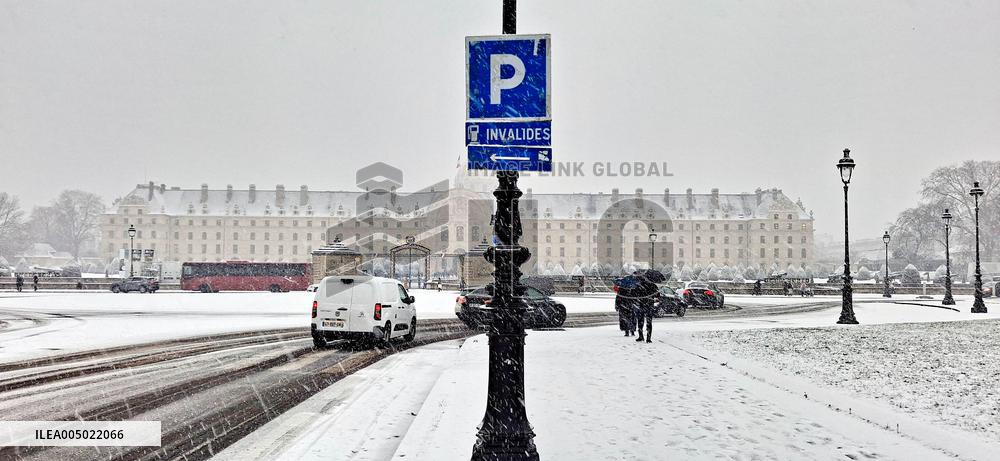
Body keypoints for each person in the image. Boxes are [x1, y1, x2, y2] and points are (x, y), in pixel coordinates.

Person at [634, 275, 657, 343]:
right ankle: (648, 338)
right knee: (649, 322)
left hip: (641, 305)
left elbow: (635, 295)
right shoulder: (653, 285)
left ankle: (641, 336)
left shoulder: (639, 285)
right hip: (649, 305)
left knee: (640, 322)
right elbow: (657, 294)